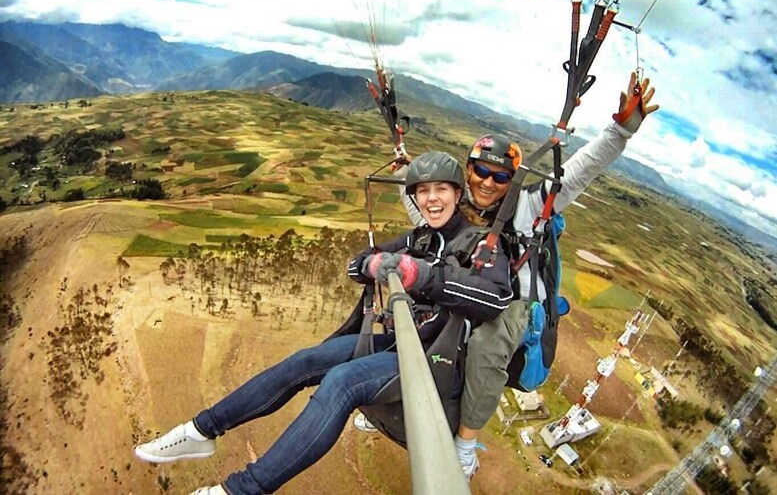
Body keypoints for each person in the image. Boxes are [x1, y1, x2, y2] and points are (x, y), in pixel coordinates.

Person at [133, 151, 513, 495]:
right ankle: (201, 430)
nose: (431, 199)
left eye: (441, 190)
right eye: (423, 190)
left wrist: (424, 276)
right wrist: (371, 264)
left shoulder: (482, 245)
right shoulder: (421, 238)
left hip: (434, 363)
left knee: (342, 382)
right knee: (305, 361)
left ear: (457, 192)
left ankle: (242, 491)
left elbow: (495, 298)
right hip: (401, 343)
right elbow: (357, 264)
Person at [360, 72, 659, 478]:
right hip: (473, 284)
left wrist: (619, 132)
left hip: (514, 299)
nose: (488, 182)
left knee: (485, 345)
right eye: (481, 172)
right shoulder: (460, 205)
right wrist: (407, 175)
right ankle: (390, 396)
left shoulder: (531, 205)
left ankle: (465, 446)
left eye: (501, 176)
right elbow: (423, 217)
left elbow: (578, 172)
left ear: (512, 180)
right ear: (467, 172)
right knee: (411, 313)